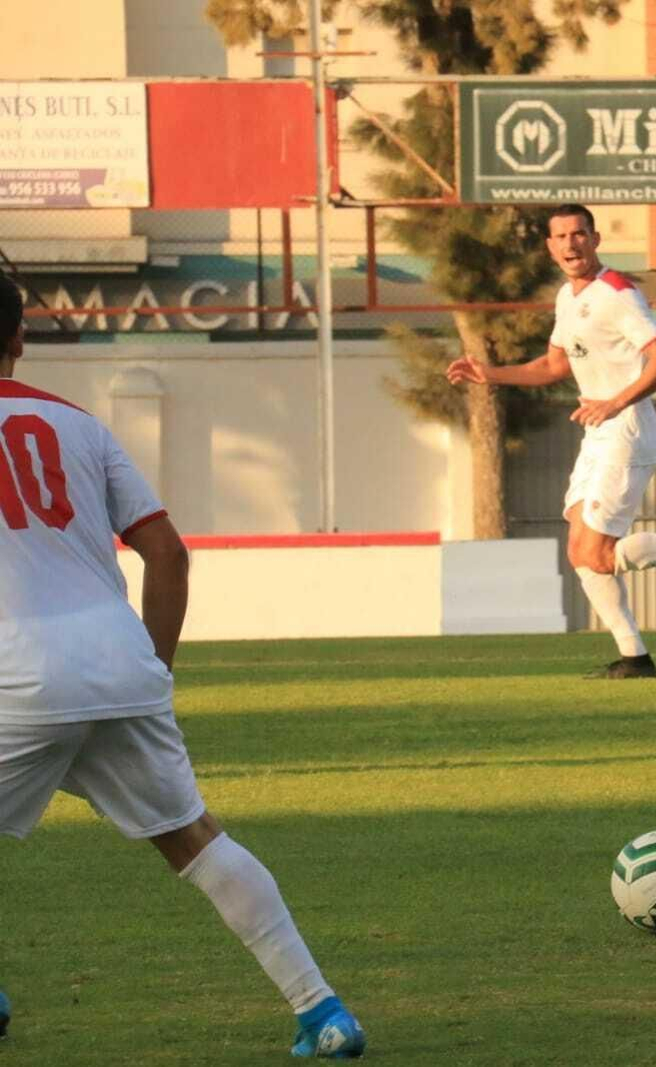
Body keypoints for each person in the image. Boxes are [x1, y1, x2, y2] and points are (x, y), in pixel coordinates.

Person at [0, 275, 365, 1059]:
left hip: (17, 674)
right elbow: (166, 551)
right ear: (18, 338)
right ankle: (322, 1010)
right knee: (194, 838)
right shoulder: (80, 425)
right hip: (120, 663)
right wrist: (151, 672)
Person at [446, 204, 656, 679]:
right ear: (550, 247)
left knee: (597, 553)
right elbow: (553, 366)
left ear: (595, 240)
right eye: (561, 237)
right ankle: (634, 657)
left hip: (625, 426)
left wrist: (614, 403)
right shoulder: (567, 298)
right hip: (598, 428)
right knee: (582, 551)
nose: (571, 244)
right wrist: (488, 374)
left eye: (580, 234)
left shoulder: (618, 293)